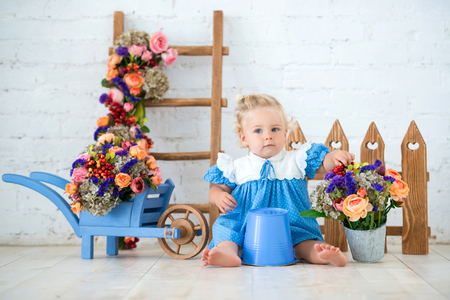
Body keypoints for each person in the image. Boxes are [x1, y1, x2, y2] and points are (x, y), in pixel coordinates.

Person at [201, 93, 353, 267]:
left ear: (285, 133)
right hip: (246, 225)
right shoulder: (237, 167)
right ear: (244, 139)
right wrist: (218, 196)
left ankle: (322, 253)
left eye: (275, 129)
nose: (268, 136)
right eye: (258, 131)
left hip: (291, 225)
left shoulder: (296, 160)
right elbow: (216, 189)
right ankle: (227, 252)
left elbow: (322, 165)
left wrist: (333, 157)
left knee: (303, 242)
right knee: (228, 232)